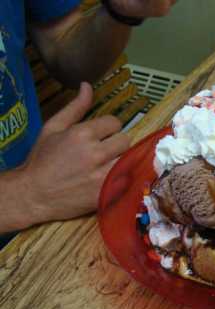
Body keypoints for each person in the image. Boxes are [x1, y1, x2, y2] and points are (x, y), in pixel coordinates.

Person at [0, 1, 177, 247]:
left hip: (53, 207)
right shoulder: (33, 193)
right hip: (40, 201)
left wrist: (120, 13)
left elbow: (61, 45)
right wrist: (25, 192)